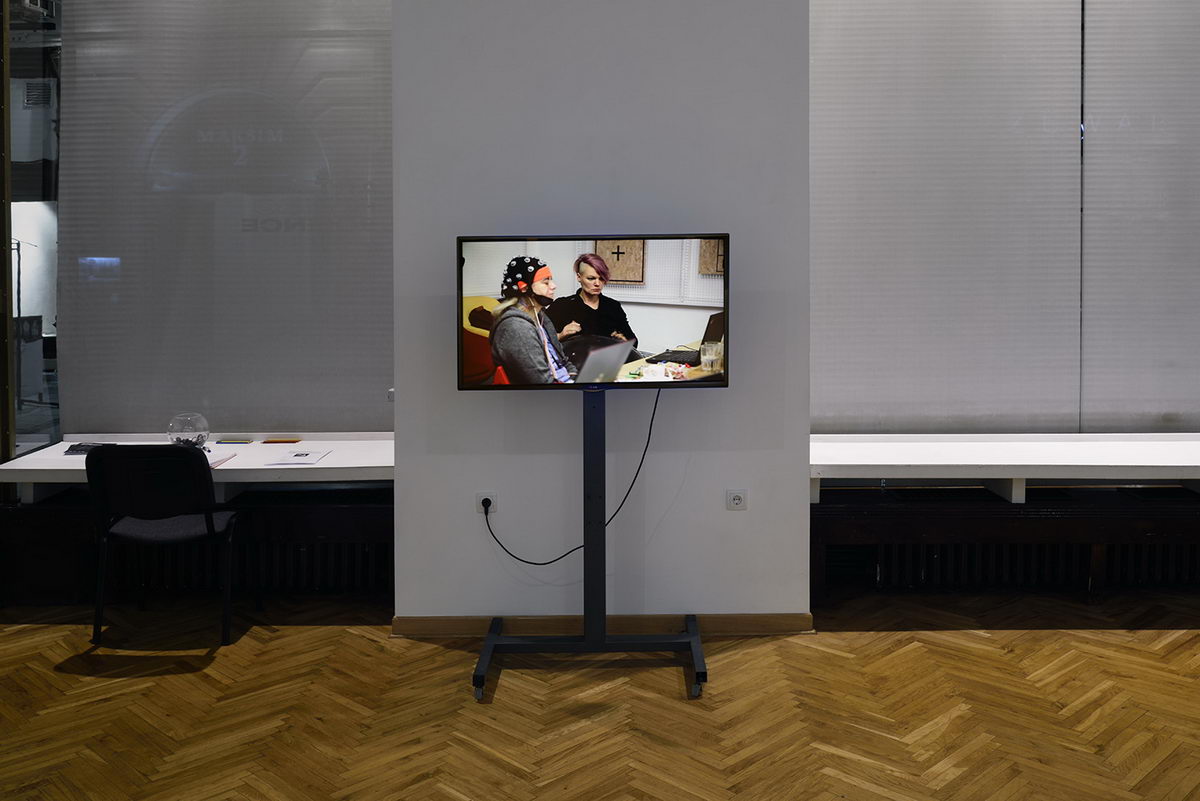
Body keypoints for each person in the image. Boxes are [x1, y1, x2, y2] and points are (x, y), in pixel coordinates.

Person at [490, 256, 577, 384]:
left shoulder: (541, 316)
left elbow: (563, 361)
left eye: (551, 280)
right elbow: (542, 382)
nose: (553, 286)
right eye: (545, 282)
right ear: (524, 288)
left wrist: (576, 378)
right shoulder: (516, 328)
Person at [546, 253, 638, 365]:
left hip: (608, 365)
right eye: (591, 278)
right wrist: (561, 335)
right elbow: (540, 342)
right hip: (573, 367)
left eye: (601, 278)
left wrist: (624, 342)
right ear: (579, 277)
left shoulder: (613, 306)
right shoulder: (562, 305)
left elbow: (633, 342)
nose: (597, 284)